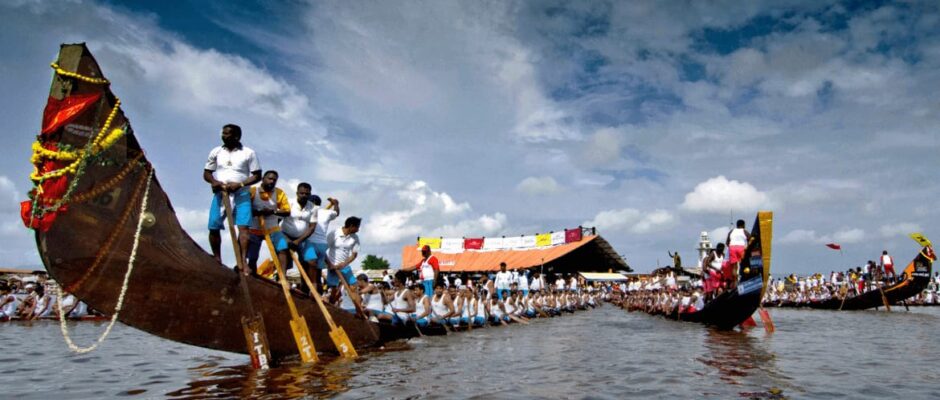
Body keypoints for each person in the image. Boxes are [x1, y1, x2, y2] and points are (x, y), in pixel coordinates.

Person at [204, 124, 262, 268]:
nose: (224, 136)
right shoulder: (216, 151)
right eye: (223, 133)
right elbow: (207, 173)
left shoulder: (248, 153)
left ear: (236, 136)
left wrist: (240, 184)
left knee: (243, 228)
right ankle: (217, 258)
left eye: (227, 134)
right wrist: (214, 182)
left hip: (241, 193)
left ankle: (242, 262)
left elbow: (257, 175)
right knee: (213, 226)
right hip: (221, 192)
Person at [245, 171, 291, 276]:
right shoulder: (253, 191)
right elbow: (245, 209)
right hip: (255, 227)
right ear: (263, 179)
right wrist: (258, 212)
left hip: (272, 227)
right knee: (253, 256)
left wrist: (273, 211)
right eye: (270, 179)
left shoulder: (279, 193)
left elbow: (287, 211)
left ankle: (282, 275)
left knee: (283, 247)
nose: (272, 181)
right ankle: (252, 273)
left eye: (274, 180)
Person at [279, 182, 318, 290]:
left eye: (307, 194)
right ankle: (282, 278)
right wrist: (285, 238)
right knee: (283, 250)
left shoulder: (313, 208)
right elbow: (277, 220)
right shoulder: (289, 203)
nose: (304, 195)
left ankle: (312, 286)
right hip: (285, 234)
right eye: (302, 193)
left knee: (312, 261)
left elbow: (312, 227)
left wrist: (298, 241)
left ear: (309, 194)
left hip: (303, 238)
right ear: (297, 193)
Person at [326, 217, 362, 305]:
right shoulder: (334, 233)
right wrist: (330, 264)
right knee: (333, 289)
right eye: (357, 227)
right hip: (333, 266)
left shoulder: (355, 238)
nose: (358, 229)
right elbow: (324, 250)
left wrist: (344, 263)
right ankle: (331, 305)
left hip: (345, 266)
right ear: (351, 226)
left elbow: (354, 255)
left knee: (354, 285)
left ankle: (358, 308)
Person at [310, 195, 340, 283]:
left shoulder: (308, 211)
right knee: (318, 274)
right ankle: (319, 292)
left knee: (308, 271)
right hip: (322, 245)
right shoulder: (326, 212)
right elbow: (336, 213)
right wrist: (336, 204)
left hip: (310, 243)